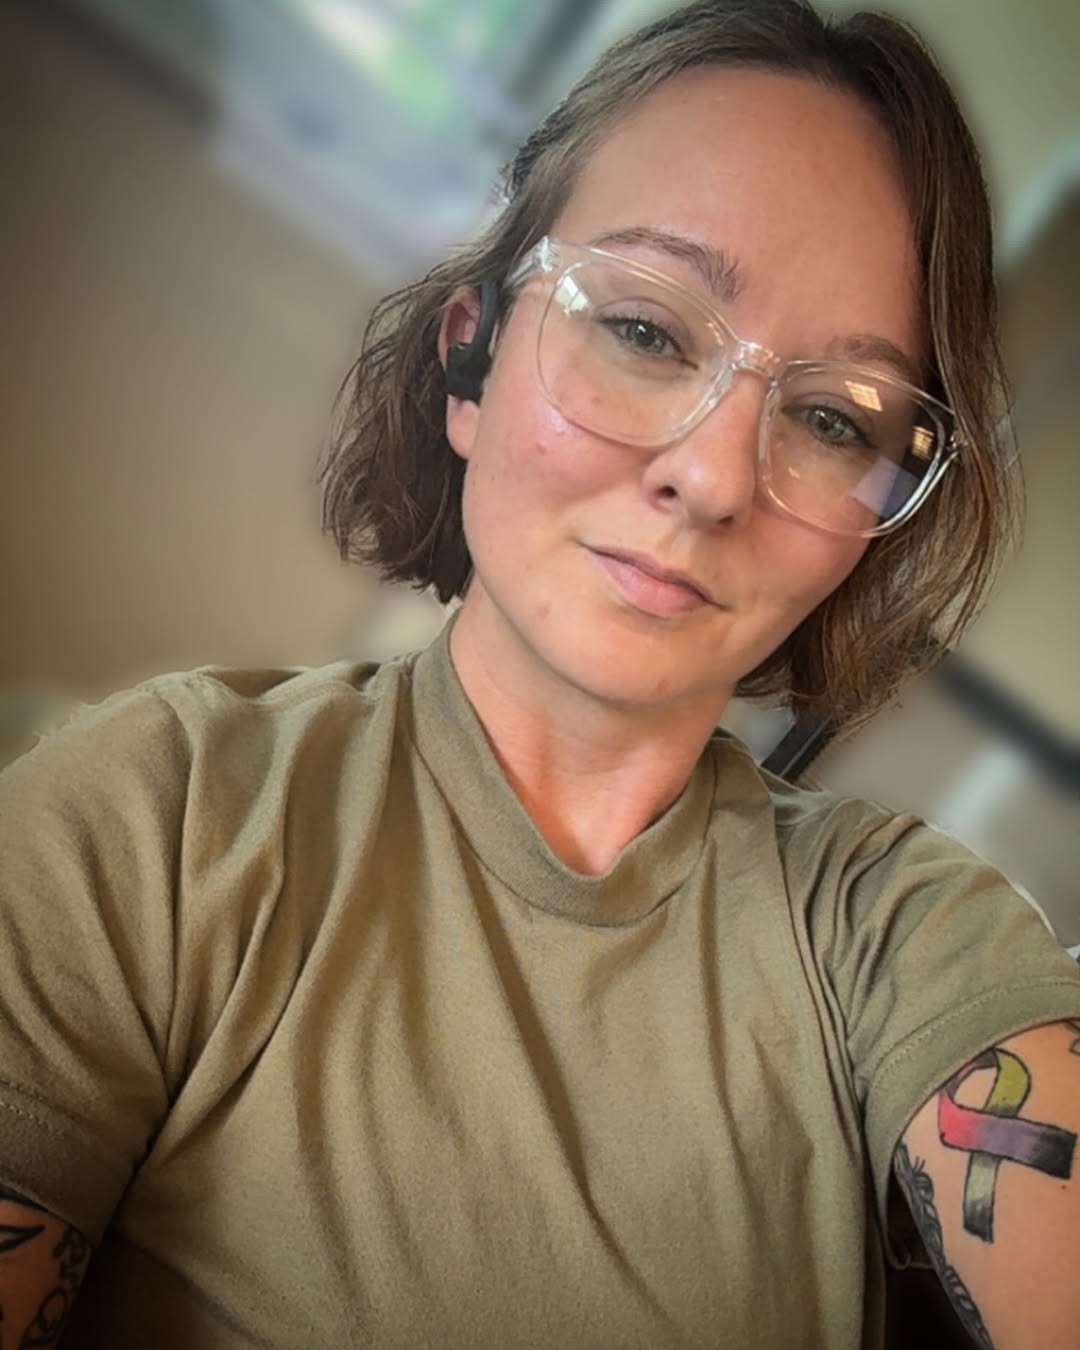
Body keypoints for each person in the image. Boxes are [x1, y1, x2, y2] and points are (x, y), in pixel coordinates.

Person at [2, 1, 1079, 1346]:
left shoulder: (901, 925)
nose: (713, 477)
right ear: (472, 359)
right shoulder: (148, 819)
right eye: (645, 330)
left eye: (829, 419)